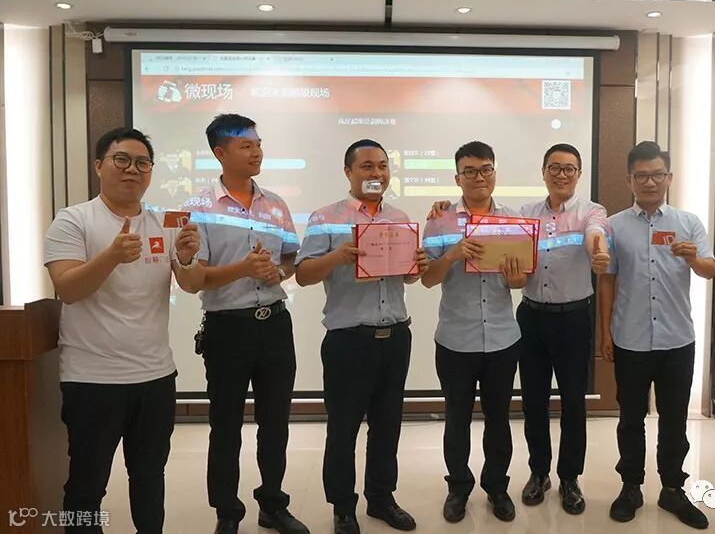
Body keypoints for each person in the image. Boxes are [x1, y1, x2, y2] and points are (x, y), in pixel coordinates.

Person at [44, 127, 204, 533]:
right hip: (91, 378)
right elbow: (68, 289)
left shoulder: (166, 221)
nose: (132, 169)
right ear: (99, 166)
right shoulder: (73, 220)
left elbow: (191, 284)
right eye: (122, 160)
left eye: (142, 163)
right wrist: (111, 256)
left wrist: (187, 259)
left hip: (155, 375)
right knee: (86, 484)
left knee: (149, 478)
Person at [295, 139, 429, 534]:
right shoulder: (326, 218)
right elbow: (302, 275)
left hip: (396, 336)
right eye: (367, 166)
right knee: (343, 428)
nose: (376, 173)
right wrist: (338, 256)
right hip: (349, 340)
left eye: (383, 166)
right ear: (348, 172)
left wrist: (416, 266)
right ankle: (342, 507)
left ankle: (381, 498)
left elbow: (408, 278)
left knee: (388, 425)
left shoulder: (400, 217)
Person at [186, 114, 308, 534]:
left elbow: (290, 259)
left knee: (275, 423)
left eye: (258, 144)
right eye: (246, 145)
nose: (257, 151)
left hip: (274, 325)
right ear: (220, 153)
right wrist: (243, 268)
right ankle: (227, 512)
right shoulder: (201, 208)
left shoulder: (275, 204)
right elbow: (196, 277)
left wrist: (279, 273)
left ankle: (272, 504)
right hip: (227, 329)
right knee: (226, 426)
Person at [598, 141, 715, 530]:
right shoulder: (614, 225)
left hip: (677, 339)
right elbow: (607, 280)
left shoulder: (688, 222)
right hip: (630, 338)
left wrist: (693, 258)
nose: (650, 182)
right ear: (629, 180)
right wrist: (605, 333)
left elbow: (710, 269)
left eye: (657, 174)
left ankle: (672, 489)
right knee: (630, 418)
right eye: (642, 176)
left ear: (669, 178)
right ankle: (631, 487)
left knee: (674, 419)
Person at [421, 141, 527, 524]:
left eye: (485, 169)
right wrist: (452, 254)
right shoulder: (440, 221)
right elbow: (426, 279)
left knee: (499, 419)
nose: (479, 177)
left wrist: (515, 278)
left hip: (502, 338)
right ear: (457, 178)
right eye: (470, 171)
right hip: (455, 339)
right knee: (457, 419)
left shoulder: (513, 220)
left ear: (494, 173)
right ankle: (458, 488)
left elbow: (522, 280)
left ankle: (497, 487)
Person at [516, 143, 609, 513]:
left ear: (579, 174)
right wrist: (445, 208)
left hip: (573, 319)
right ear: (543, 172)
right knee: (533, 401)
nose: (561, 174)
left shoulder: (592, 211)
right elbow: (490, 226)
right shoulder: (524, 214)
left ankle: (570, 478)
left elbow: (595, 234)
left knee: (573, 402)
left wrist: (597, 251)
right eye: (554, 167)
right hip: (531, 317)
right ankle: (539, 472)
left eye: (569, 168)